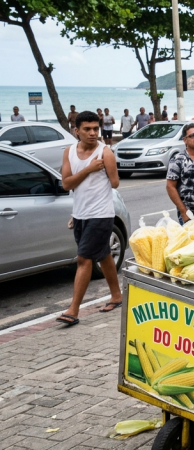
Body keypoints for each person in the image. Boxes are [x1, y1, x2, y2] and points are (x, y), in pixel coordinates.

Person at [56, 111, 123, 327]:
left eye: (95, 128)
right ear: (77, 131)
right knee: (103, 254)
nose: (93, 133)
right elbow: (67, 184)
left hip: (101, 214)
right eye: (87, 129)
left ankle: (73, 310)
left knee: (84, 259)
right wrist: (89, 169)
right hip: (80, 214)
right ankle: (117, 295)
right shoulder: (69, 152)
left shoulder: (105, 153)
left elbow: (115, 183)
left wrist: (102, 168)